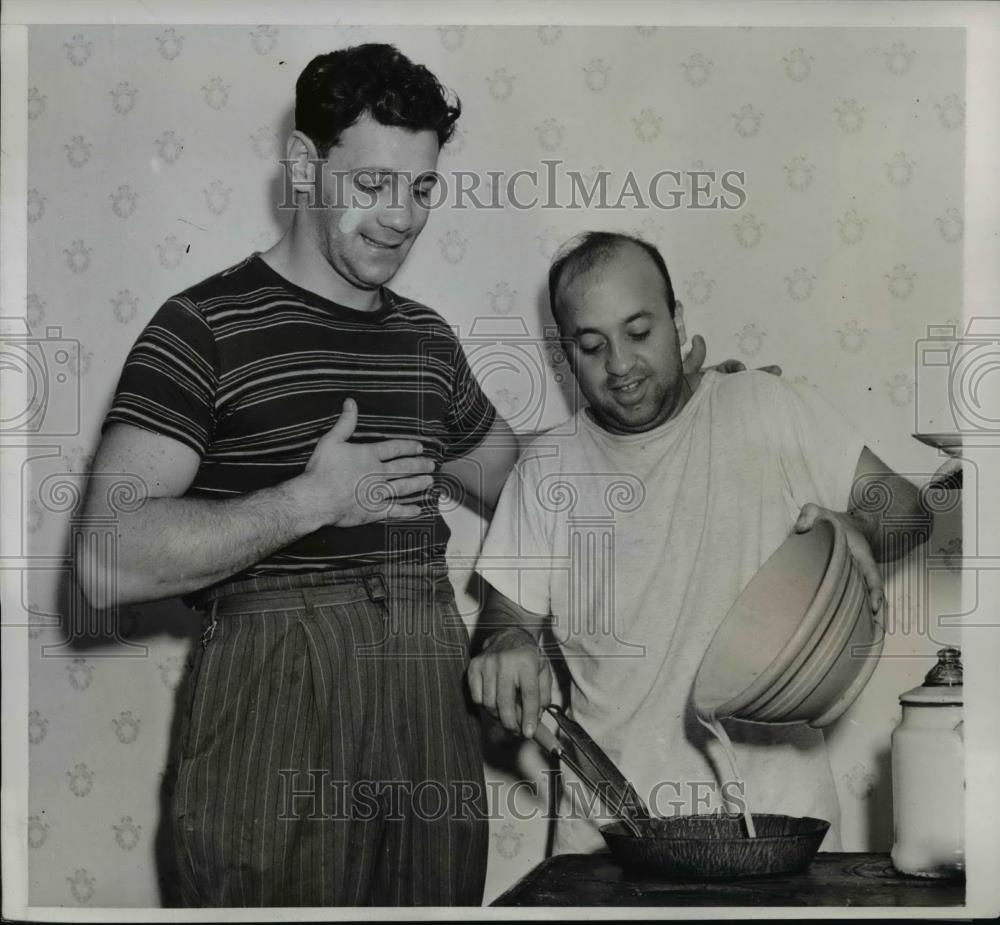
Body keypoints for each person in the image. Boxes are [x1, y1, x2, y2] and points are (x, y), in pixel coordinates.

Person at [468, 231, 936, 855]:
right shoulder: (544, 470)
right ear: (565, 355)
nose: (620, 366)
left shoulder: (766, 406)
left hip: (780, 833)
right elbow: (505, 622)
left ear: (678, 322)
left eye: (639, 332)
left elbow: (907, 508)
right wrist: (505, 644)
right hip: (611, 843)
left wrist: (861, 529)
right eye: (592, 345)